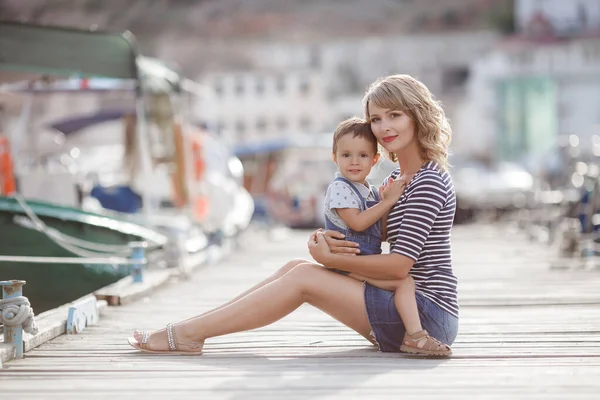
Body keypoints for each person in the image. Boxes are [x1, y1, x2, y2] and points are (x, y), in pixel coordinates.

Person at [127, 74, 458, 356]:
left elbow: (401, 264)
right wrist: (332, 239)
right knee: (296, 267)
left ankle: (186, 334)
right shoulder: (395, 180)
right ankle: (190, 329)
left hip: (425, 317)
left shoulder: (427, 180)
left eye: (394, 115)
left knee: (304, 277)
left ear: (417, 115)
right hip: (399, 302)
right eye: (376, 119)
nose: (383, 127)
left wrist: (334, 262)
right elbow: (377, 235)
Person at [323, 117, 451, 356]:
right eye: (346, 155)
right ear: (335, 157)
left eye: (362, 156)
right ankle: (415, 336)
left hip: (359, 264)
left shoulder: (373, 189)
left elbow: (377, 232)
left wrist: (384, 203)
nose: (353, 162)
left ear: (374, 159)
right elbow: (358, 223)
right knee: (296, 269)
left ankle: (416, 335)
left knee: (299, 273)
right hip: (352, 261)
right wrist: (388, 202)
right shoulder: (341, 187)